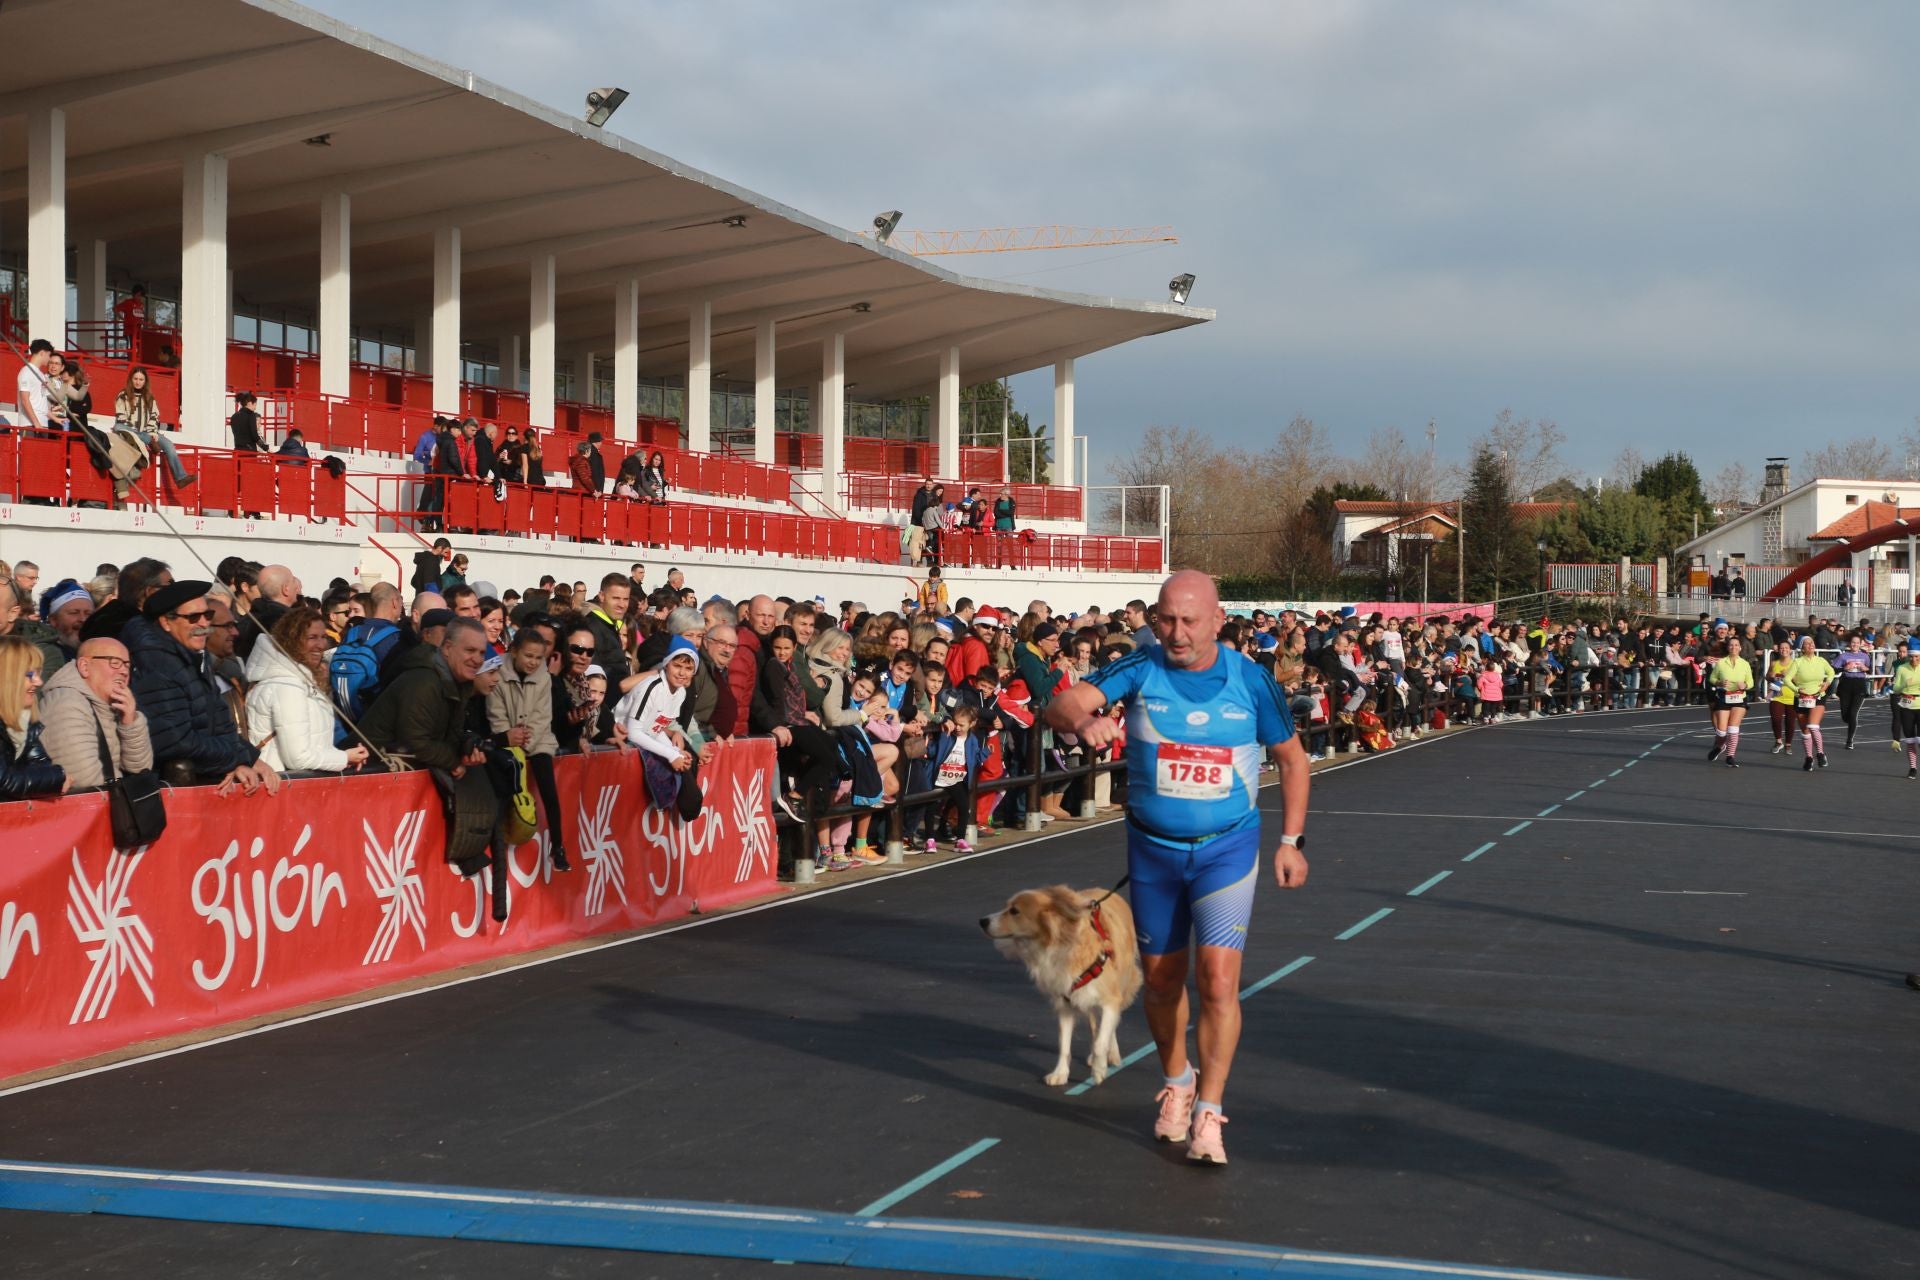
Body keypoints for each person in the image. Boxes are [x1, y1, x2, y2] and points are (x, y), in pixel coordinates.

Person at [1043, 570, 1310, 1167]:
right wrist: (1084, 721)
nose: (1177, 632)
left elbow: (1292, 759)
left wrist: (1292, 839)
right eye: (1165, 619)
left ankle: (1211, 1111)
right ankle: (1179, 1081)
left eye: (1190, 621)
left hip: (1226, 850)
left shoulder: (1250, 680)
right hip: (1154, 853)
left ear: (1218, 620)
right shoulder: (1140, 667)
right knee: (1162, 982)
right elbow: (1058, 704)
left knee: (1217, 981)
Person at [124, 580, 279, 795]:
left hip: (206, 774)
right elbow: (174, 741)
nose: (203, 623)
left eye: (207, 616)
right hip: (170, 792)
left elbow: (221, 721)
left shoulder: (195, 656)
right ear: (166, 623)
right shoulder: (156, 663)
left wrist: (249, 758)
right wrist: (235, 760)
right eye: (193, 617)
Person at [244, 605, 368, 775]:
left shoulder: (300, 680)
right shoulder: (287, 687)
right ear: (292, 640)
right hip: (281, 789)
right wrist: (344, 758)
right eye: (312, 637)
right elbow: (298, 758)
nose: (321, 644)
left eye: (323, 637)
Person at [488, 627, 569, 871]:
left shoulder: (544, 677)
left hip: (537, 739)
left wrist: (526, 740)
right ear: (514, 652)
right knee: (507, 784)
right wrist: (508, 737)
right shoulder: (498, 673)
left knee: (548, 790)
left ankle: (558, 845)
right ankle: (499, 840)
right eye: (528, 656)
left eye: (538, 657)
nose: (533, 662)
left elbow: (542, 716)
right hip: (505, 737)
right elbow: (495, 710)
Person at [37, 636, 154, 789]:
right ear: (85, 666)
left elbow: (140, 770)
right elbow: (84, 781)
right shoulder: (66, 704)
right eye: (115, 662)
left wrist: (130, 723)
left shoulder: (116, 704)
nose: (124, 671)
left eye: (127, 664)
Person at [0, 635, 66, 798]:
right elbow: (4, 781)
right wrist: (58, 777)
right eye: (31, 674)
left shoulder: (23, 719)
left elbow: (41, 764)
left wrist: (54, 776)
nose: (38, 682)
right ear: (8, 677)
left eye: (39, 673)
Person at [114, 367, 195, 488]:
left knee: (169, 445)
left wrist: (152, 432)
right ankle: (149, 440)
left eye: (141, 379)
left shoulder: (150, 397)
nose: (138, 382)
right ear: (131, 379)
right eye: (135, 379)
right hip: (129, 430)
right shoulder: (123, 395)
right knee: (120, 427)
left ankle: (180, 478)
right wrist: (141, 432)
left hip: (148, 432)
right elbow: (121, 416)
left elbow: (154, 415)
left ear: (145, 381)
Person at [1781, 636, 1836, 773]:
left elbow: (1831, 672)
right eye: (1807, 643)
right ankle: (1809, 758)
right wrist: (1796, 690)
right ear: (1802, 648)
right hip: (1801, 699)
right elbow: (1787, 679)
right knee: (1805, 731)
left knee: (1813, 725)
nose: (1810, 645)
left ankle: (1821, 754)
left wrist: (1827, 682)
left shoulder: (1821, 660)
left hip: (1818, 697)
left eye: (1812, 642)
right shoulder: (1797, 662)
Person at [1705, 635, 1753, 768]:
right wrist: (1719, 682)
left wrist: (1745, 685)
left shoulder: (1745, 664)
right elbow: (1712, 678)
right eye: (1731, 645)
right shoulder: (1721, 663)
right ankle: (1720, 746)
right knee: (1721, 730)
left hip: (1739, 698)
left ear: (1740, 648)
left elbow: (1751, 682)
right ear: (1728, 647)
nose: (1734, 647)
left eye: (1736, 645)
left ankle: (1730, 756)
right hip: (1724, 697)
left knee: (1733, 728)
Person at [1834, 634, 1874, 750]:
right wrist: (1845, 668)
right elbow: (1834, 668)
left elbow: (1870, 670)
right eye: (1853, 642)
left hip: (1859, 685)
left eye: (1857, 642)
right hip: (1846, 684)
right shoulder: (1843, 656)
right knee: (1845, 716)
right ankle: (1851, 722)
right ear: (1849, 644)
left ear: (1861, 643)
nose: (1855, 644)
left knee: (1853, 714)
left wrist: (1865, 668)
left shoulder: (1865, 656)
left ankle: (1850, 740)